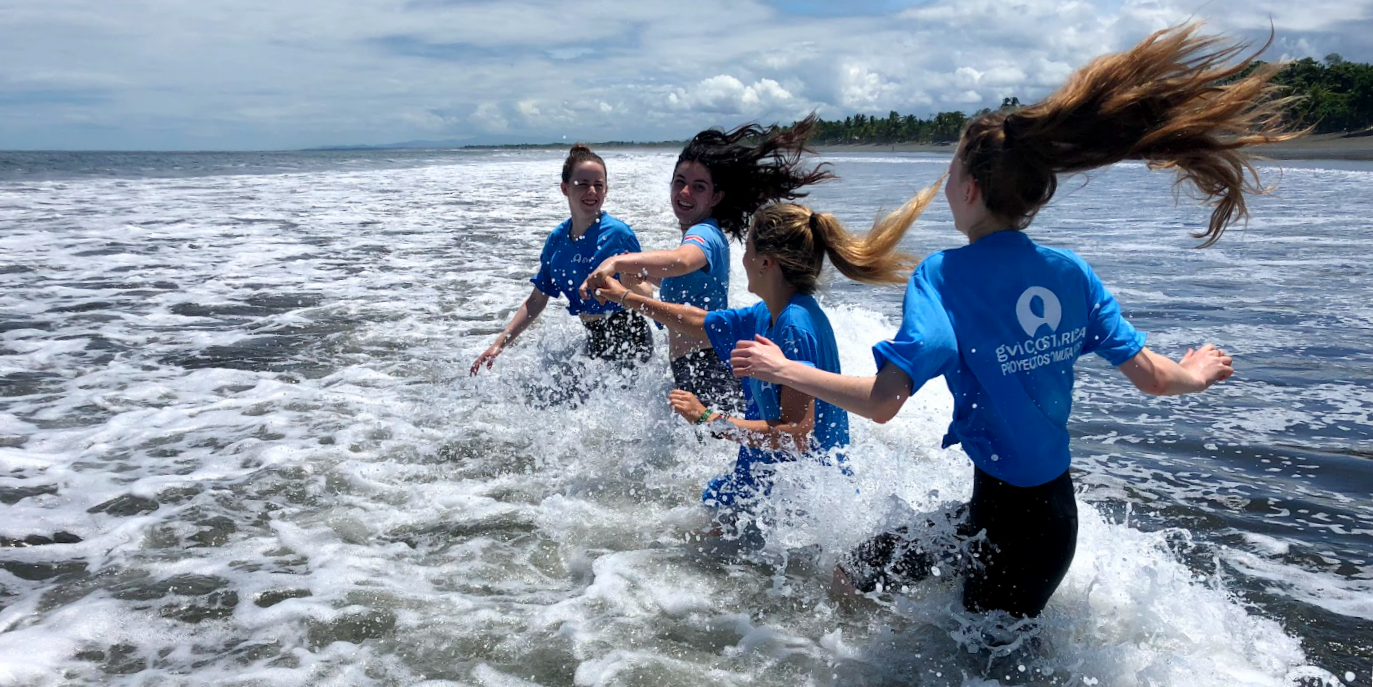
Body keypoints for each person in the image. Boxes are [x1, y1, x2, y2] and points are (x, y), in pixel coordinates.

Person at [728, 24, 1297, 618]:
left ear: (970, 190)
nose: (943, 186)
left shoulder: (943, 276)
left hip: (1005, 525)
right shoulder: (1070, 272)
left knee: (963, 654)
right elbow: (1154, 378)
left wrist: (783, 366)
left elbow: (882, 402)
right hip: (1046, 521)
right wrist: (1195, 373)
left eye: (948, 175)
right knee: (863, 576)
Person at [591, 191, 939, 535]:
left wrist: (710, 419)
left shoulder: (793, 327)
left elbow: (797, 436)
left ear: (766, 262)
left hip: (798, 505)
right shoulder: (769, 312)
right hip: (763, 483)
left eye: (749, 251)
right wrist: (625, 296)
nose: (743, 260)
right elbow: (698, 321)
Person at [580, 116, 833, 414]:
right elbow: (683, 277)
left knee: (716, 436)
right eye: (680, 183)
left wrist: (616, 261)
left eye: (699, 187)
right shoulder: (700, 234)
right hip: (696, 365)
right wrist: (637, 275)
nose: (685, 193)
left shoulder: (705, 233)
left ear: (716, 196)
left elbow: (682, 261)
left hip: (707, 366)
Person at [470, 144, 652, 381]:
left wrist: (631, 282)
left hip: (630, 336)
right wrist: (499, 344)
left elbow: (647, 292)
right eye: (583, 184)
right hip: (593, 338)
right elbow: (536, 300)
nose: (592, 191)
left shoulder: (619, 234)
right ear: (565, 188)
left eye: (598, 185)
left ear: (606, 190)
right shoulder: (556, 240)